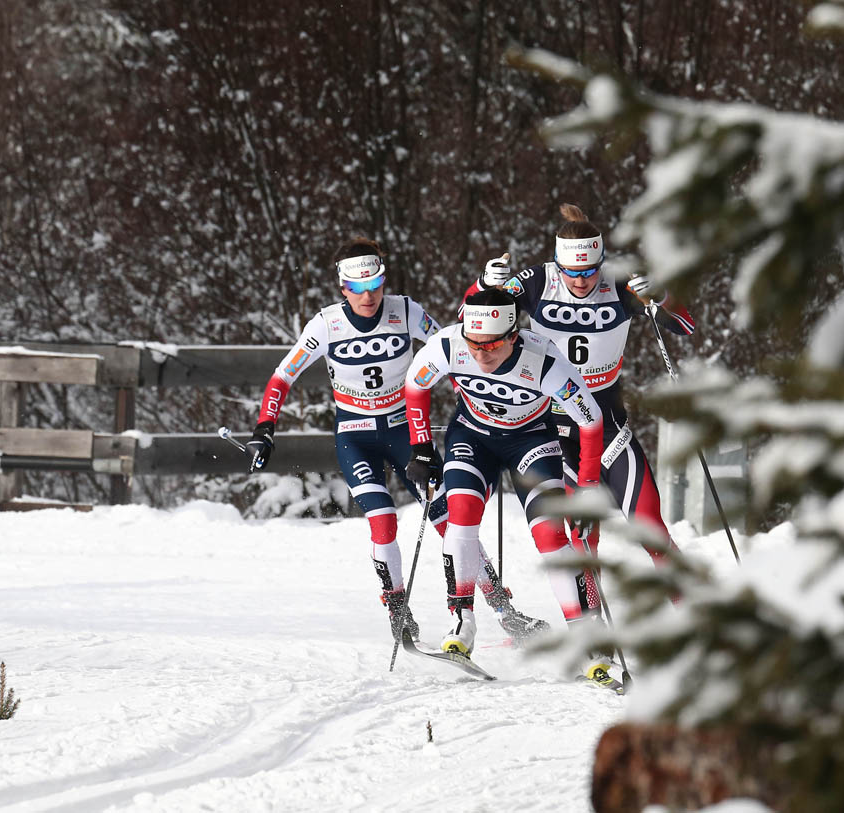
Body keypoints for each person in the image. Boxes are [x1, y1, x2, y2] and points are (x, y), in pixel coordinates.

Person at [245, 238, 545, 645]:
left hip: (404, 431)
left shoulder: (406, 311)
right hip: (355, 435)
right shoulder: (326, 324)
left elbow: (454, 350)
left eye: (376, 285)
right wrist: (265, 427)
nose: (369, 296)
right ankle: (398, 610)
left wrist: (482, 403)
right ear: (342, 288)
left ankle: (504, 610)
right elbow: (284, 376)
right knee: (383, 521)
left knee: (451, 520)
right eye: (358, 288)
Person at [465, 203, 696, 614]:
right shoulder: (536, 280)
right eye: (571, 272)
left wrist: (662, 295)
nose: (581, 280)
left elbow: (686, 326)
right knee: (581, 535)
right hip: (553, 426)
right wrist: (485, 283)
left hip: (608, 424)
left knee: (651, 526)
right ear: (558, 264)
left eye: (589, 271)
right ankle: (592, 628)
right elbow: (475, 317)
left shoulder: (621, 282)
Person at [403, 287, 619, 688]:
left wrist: (586, 487)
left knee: (551, 534)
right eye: (474, 342)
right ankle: (461, 624)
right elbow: (415, 388)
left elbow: (590, 422)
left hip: (532, 440)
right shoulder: (448, 345)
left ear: (514, 337)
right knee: (461, 519)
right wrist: (421, 447)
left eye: (492, 345)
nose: (480, 353)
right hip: (473, 436)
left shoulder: (545, 361)